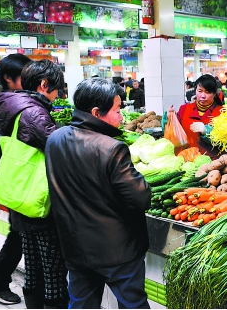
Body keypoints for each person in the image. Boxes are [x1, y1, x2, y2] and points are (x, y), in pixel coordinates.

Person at [44, 78, 151, 309]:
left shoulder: (54, 138)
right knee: (133, 304)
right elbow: (140, 197)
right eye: (117, 109)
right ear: (96, 112)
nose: (121, 116)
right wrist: (139, 176)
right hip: (118, 250)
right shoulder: (111, 148)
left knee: (82, 304)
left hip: (76, 246)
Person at [0, 60, 69, 309]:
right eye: (56, 89)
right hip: (38, 204)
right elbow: (59, 150)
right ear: (44, 84)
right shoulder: (33, 112)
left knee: (34, 267)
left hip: (21, 198)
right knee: (53, 272)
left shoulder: (12, 105)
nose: (57, 95)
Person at [0, 53, 31, 306]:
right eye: (25, 75)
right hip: (14, 179)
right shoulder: (8, 105)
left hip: (19, 178)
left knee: (18, 233)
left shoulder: (18, 101)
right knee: (18, 234)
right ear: (9, 78)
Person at [177, 74, 223, 158]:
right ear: (195, 90)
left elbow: (226, 142)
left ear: (214, 94)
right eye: (200, 91)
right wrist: (169, 121)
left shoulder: (222, 112)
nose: (203, 95)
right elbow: (175, 135)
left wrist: (207, 132)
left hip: (212, 163)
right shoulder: (184, 109)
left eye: (207, 92)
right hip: (187, 162)